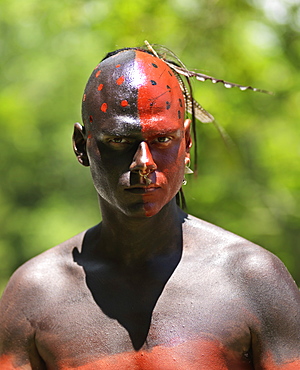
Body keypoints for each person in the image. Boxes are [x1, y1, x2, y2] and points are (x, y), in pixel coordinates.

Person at [0, 45, 299, 370]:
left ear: (186, 142)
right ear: (81, 145)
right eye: (119, 141)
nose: (144, 162)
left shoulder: (251, 280)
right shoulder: (36, 295)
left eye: (162, 140)